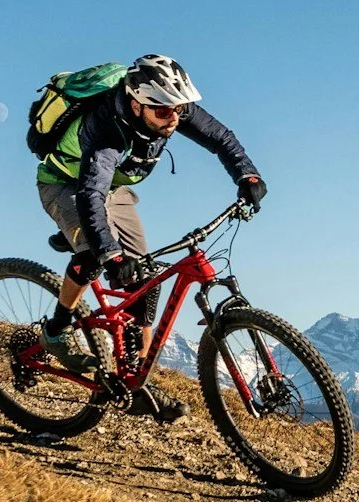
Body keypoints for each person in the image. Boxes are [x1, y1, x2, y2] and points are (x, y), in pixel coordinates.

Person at [35, 54, 265, 381]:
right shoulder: (106, 130)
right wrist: (110, 253)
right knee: (93, 257)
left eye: (179, 109)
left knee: (144, 273)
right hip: (66, 184)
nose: (174, 118)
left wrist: (248, 176)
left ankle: (136, 374)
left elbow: (220, 138)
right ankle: (55, 333)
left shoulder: (169, 107)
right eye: (163, 111)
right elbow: (90, 194)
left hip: (112, 188)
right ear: (136, 104)